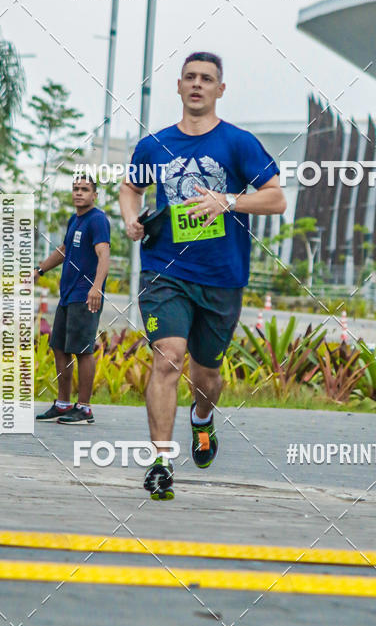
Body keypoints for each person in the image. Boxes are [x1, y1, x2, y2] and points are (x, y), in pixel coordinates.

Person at [119, 51, 286, 500]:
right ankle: (160, 462)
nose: (197, 84)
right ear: (178, 86)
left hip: (221, 276)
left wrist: (228, 201)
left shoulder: (238, 144)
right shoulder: (153, 145)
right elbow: (130, 187)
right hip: (164, 271)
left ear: (220, 89)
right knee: (168, 356)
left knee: (206, 375)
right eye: (189, 77)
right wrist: (130, 219)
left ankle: (202, 418)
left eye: (206, 79)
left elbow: (276, 199)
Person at [34, 176, 110, 425]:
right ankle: (64, 404)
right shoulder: (74, 219)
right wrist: (40, 270)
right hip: (68, 294)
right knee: (59, 346)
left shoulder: (97, 219)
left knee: (82, 350)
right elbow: (64, 250)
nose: (79, 193)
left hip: (85, 294)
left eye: (85, 190)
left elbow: (103, 254)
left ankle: (85, 408)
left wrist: (96, 288)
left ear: (94, 195)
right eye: (76, 189)